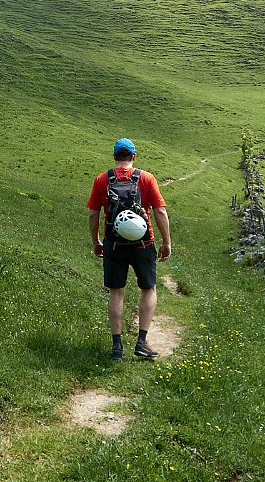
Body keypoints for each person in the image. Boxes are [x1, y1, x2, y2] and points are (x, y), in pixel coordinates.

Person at [87, 137, 171, 361]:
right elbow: (160, 211)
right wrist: (166, 242)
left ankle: (117, 347)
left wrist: (96, 242)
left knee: (116, 292)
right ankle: (142, 342)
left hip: (114, 244)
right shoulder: (146, 178)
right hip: (143, 243)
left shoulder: (102, 180)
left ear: (115, 156)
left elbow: (93, 214)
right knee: (148, 288)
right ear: (134, 156)